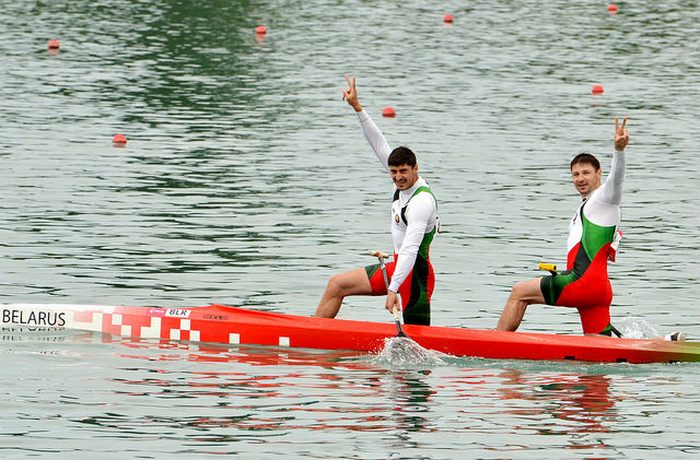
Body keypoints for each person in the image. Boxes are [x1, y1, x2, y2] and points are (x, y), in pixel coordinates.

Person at [314, 76, 438, 325]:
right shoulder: (398, 177)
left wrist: (393, 290)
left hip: (415, 278)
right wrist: (357, 108)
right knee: (336, 284)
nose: (398, 177)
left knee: (417, 347)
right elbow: (378, 143)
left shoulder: (421, 202)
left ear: (416, 168)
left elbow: (411, 250)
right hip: (397, 268)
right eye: (393, 172)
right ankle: (310, 334)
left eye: (403, 171)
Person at [496, 117, 630, 336]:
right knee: (598, 357)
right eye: (575, 174)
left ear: (599, 174)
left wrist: (619, 150)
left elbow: (617, 180)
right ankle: (659, 348)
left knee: (519, 292)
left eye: (586, 172)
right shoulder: (589, 207)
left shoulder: (604, 199)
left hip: (582, 283)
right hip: (599, 290)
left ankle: (496, 343)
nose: (580, 178)